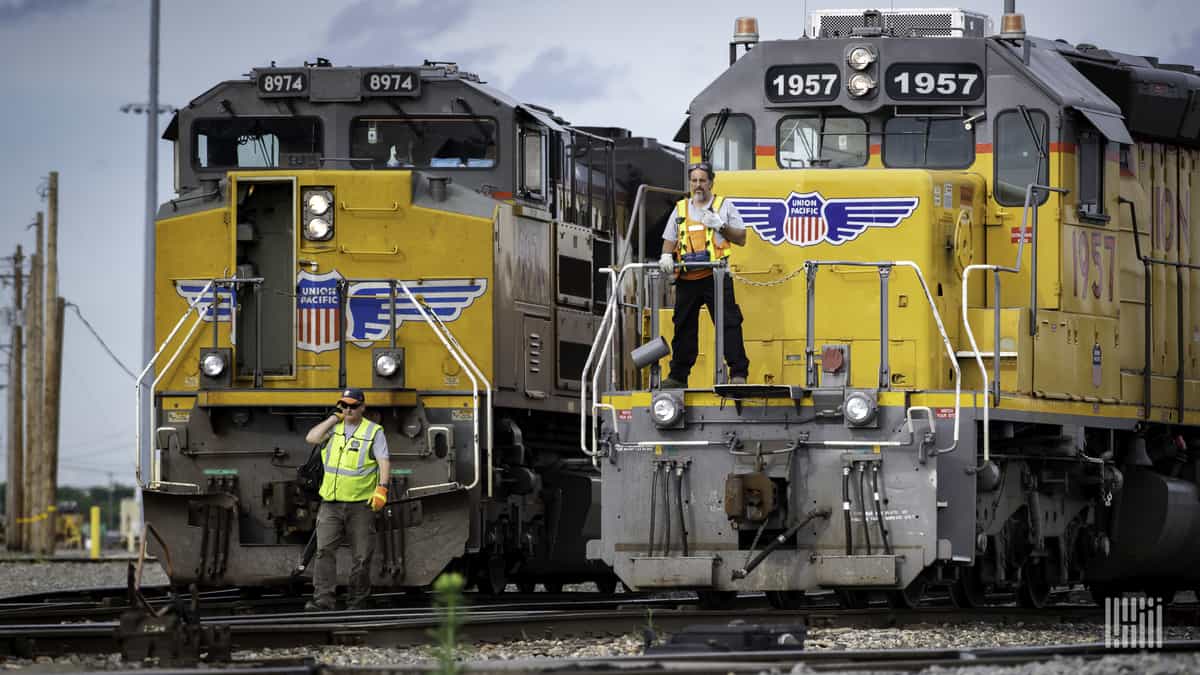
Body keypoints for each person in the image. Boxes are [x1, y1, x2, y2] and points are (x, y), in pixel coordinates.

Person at [657, 162, 750, 387]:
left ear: (711, 182)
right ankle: (678, 376)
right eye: (694, 180)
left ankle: (738, 373)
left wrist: (721, 226)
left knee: (729, 324)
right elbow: (669, 239)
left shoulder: (724, 206)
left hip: (716, 277)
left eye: (702, 180)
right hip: (687, 278)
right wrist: (666, 256)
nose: (698, 185)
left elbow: (741, 238)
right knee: (683, 326)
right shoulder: (680, 208)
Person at [303, 388, 391, 611]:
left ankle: (357, 601)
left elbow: (383, 461)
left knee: (361, 556)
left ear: (363, 407)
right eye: (345, 405)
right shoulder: (334, 430)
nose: (349, 410)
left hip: (360, 504)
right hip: (331, 503)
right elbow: (311, 438)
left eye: (353, 406)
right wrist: (334, 417)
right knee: (324, 551)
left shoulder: (373, 431)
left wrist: (382, 488)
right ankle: (323, 600)